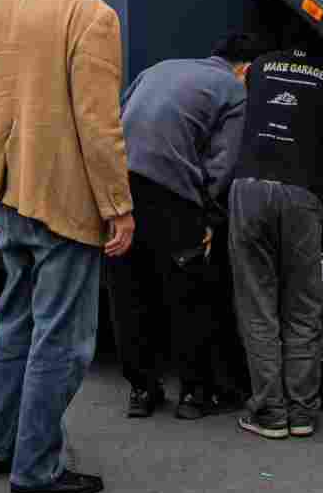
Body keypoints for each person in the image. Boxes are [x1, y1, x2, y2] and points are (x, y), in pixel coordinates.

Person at [0, 0, 135, 493]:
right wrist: (118, 204)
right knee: (62, 338)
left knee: (16, 324)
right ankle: (35, 468)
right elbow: (99, 123)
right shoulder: (90, 14)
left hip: (6, 191)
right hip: (61, 199)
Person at [109, 32, 262, 423]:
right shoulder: (234, 90)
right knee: (187, 293)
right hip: (172, 195)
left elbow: (118, 120)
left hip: (120, 187)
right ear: (245, 70)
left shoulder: (158, 69)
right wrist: (208, 216)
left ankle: (142, 390)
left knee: (130, 291)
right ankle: (194, 393)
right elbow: (222, 163)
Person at [229, 43, 323, 441]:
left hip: (251, 186)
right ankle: (302, 412)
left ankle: (271, 413)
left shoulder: (257, 67)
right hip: (301, 190)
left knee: (258, 305)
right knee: (303, 305)